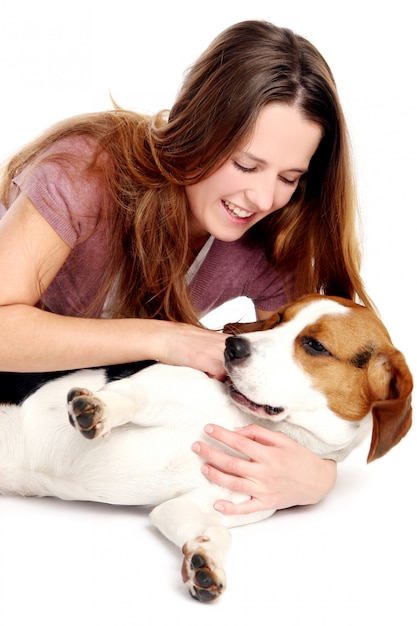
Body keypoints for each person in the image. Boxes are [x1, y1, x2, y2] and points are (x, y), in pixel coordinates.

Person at [0, 20, 373, 515]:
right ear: (197, 128)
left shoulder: (265, 242)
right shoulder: (83, 171)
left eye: (288, 177)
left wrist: (318, 475)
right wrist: (165, 339)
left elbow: (296, 380)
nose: (263, 198)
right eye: (246, 165)